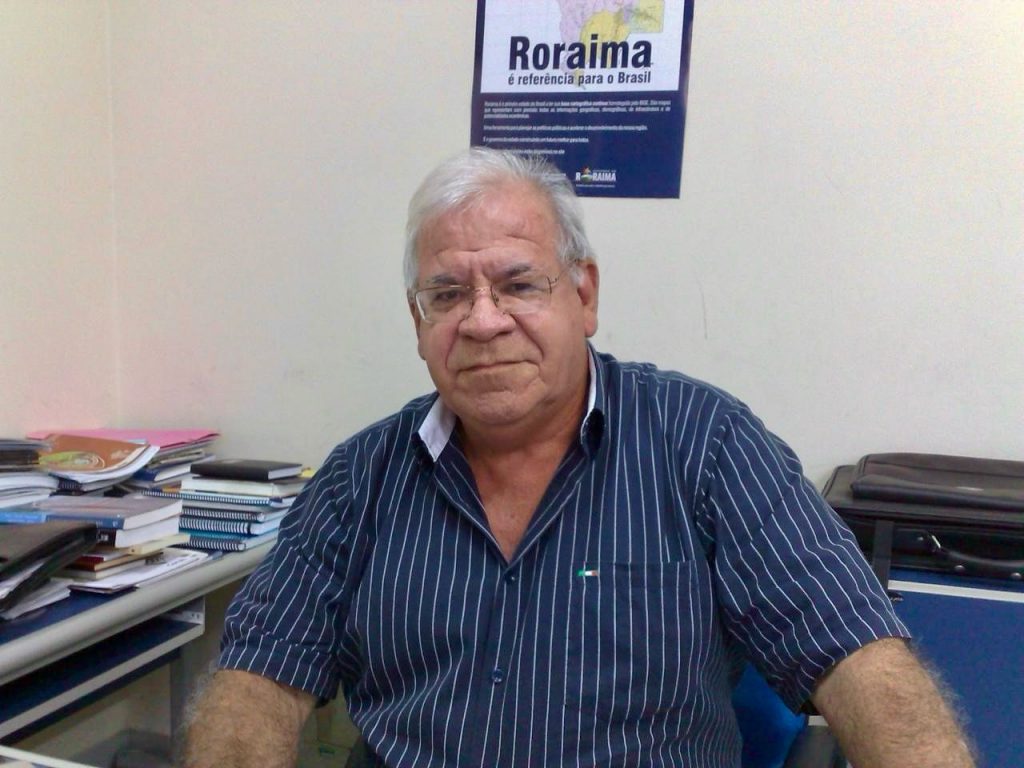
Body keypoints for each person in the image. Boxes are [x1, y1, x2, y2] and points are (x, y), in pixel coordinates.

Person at [183, 148, 974, 768]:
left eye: (518, 285)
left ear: (584, 295)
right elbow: (258, 677)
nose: (483, 322)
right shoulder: (361, 479)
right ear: (418, 322)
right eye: (447, 295)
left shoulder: (706, 445)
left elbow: (855, 654)